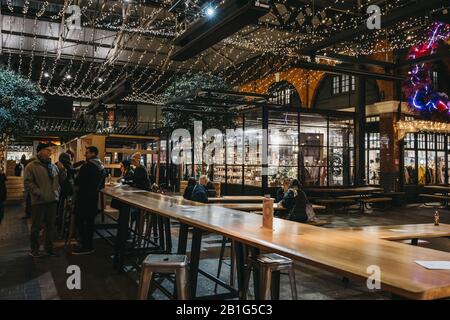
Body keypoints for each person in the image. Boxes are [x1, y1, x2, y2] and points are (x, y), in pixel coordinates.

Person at [24, 143, 67, 257]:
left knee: (50, 226)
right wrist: (39, 193)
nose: (50, 152)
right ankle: (35, 250)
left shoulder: (52, 166)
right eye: (47, 150)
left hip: (52, 201)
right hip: (39, 201)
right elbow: (28, 182)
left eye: (50, 150)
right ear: (40, 151)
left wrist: (62, 170)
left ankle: (49, 248)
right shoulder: (31, 166)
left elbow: (61, 180)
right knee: (36, 227)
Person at [72, 146, 106, 255]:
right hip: (93, 198)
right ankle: (89, 245)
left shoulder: (87, 166)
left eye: (87, 153)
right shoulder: (101, 167)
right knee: (90, 223)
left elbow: (77, 182)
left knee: (80, 221)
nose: (85, 155)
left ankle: (85, 246)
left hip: (83, 198)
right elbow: (102, 185)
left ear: (93, 153)